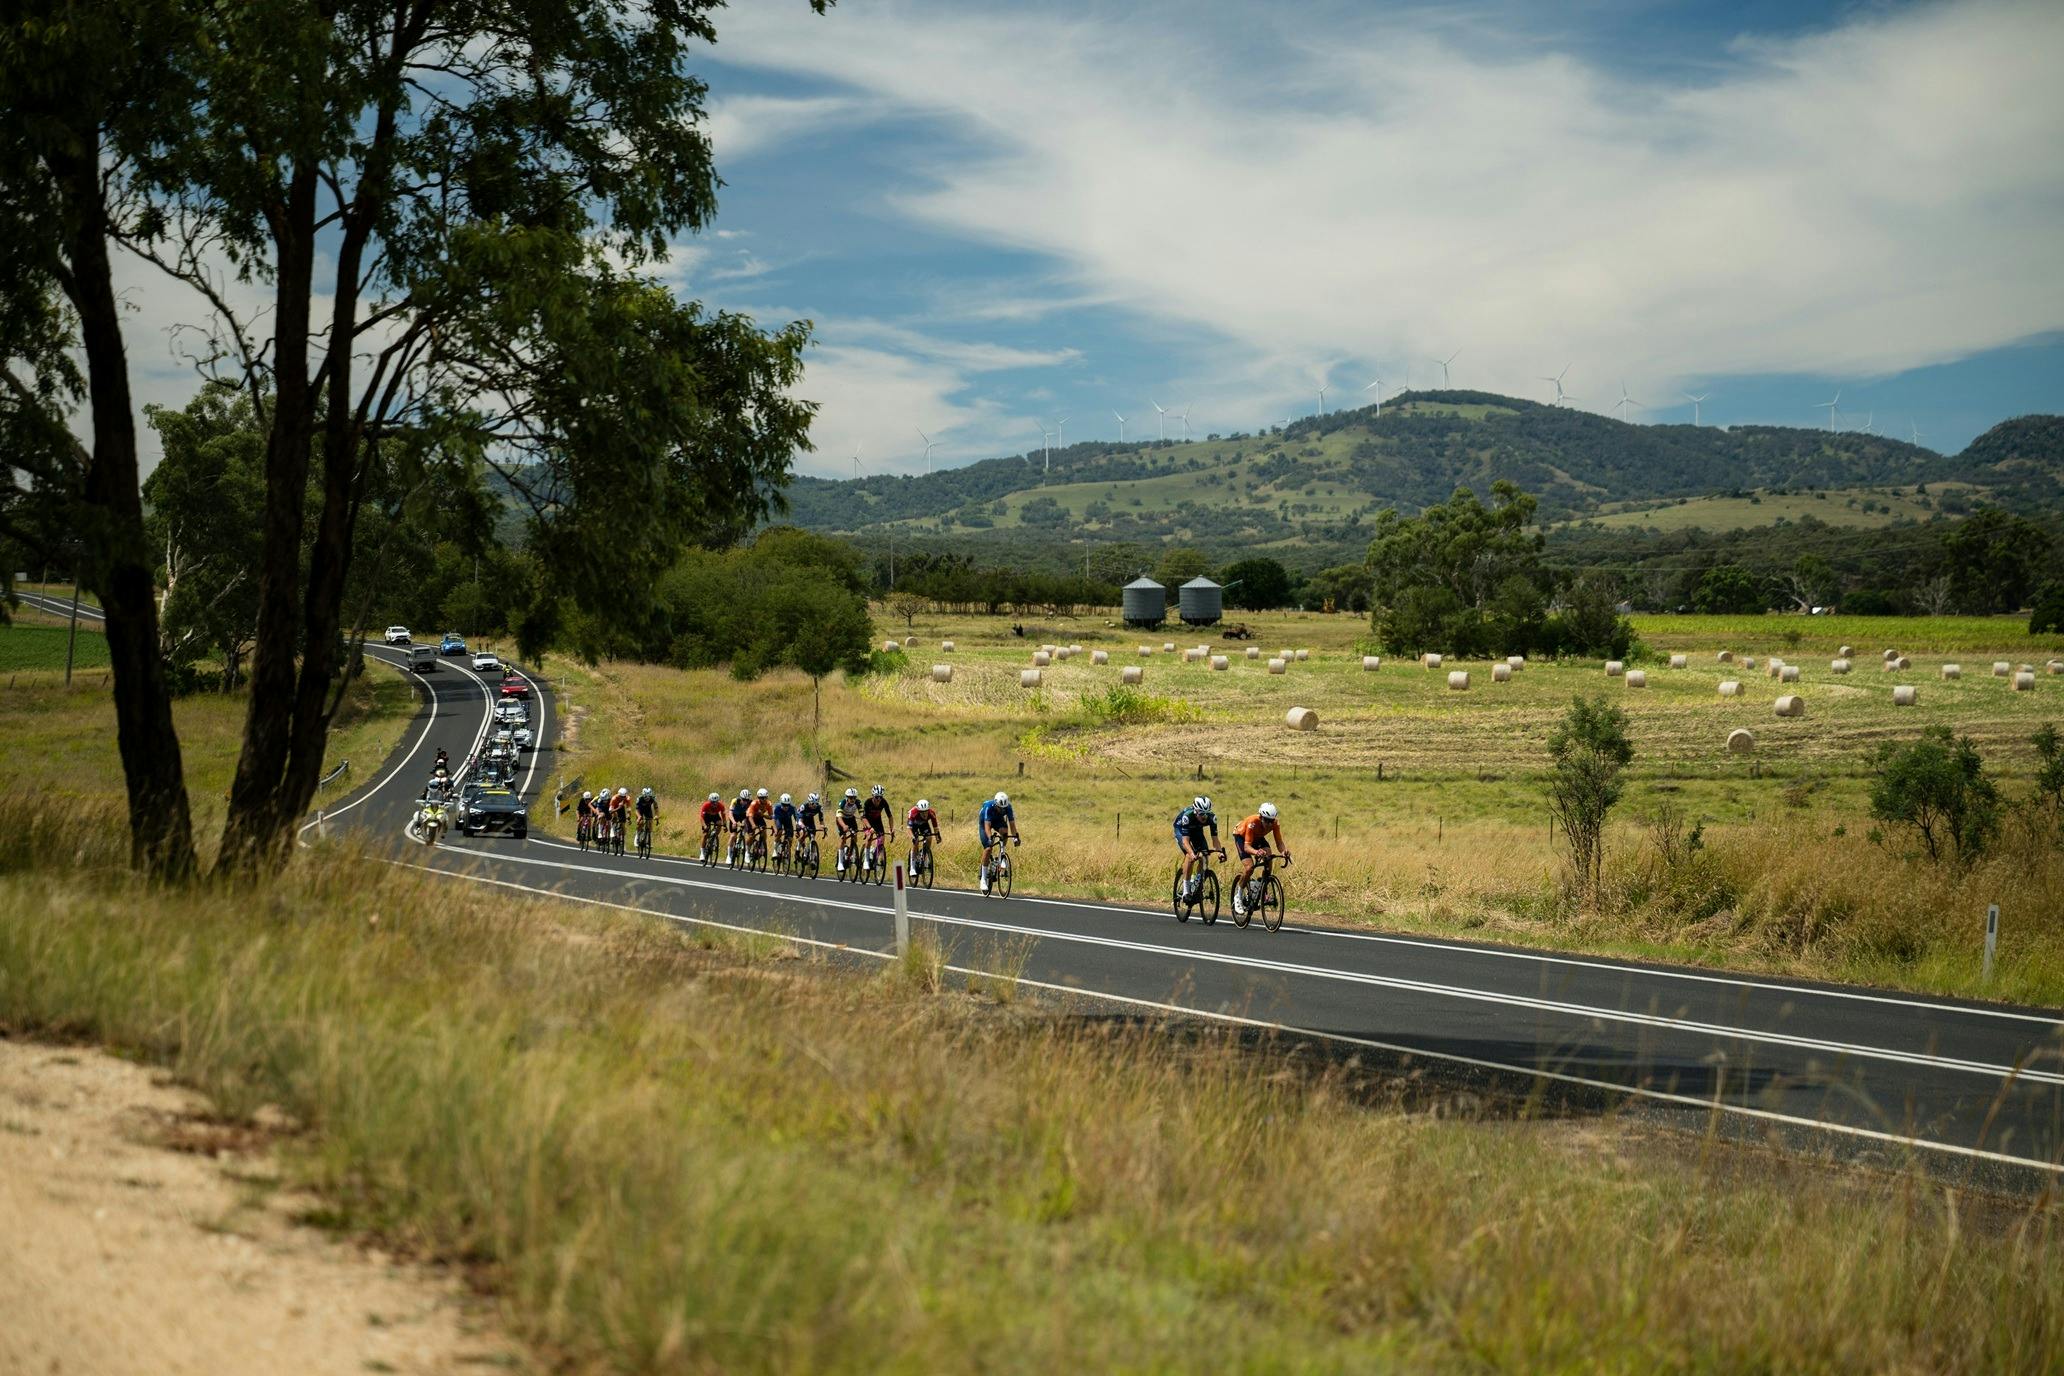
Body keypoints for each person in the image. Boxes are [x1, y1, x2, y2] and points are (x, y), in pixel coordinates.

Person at [1231, 802, 1290, 917]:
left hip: (1257, 837)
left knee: (1269, 857)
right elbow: (1247, 847)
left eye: (1271, 821)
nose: (1269, 824)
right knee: (1249, 868)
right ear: (1261, 817)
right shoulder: (1252, 822)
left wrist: (1284, 852)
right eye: (1266, 820)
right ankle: (1238, 896)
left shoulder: (1275, 823)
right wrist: (1257, 852)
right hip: (1242, 837)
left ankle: (1261, 887)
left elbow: (1279, 843)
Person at [1173, 795, 1222, 901]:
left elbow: (1215, 840)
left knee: (1204, 856)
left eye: (1206, 813)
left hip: (1197, 830)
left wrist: (1220, 852)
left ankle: (1197, 883)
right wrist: (1191, 853)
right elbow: (1185, 842)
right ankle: (1186, 890)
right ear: (1195, 811)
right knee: (1190, 856)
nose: (1204, 816)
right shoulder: (1187, 816)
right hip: (1181, 830)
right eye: (1201, 813)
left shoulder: (1212, 818)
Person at [977, 790, 1019, 893]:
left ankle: (1001, 855)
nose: (1002, 810)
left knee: (1004, 832)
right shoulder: (989, 807)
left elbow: (1012, 824)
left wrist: (1015, 838)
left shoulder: (1008, 807)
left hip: (998, 821)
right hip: (984, 822)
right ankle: (983, 879)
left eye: (1003, 808)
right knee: (988, 848)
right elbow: (987, 826)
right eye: (1000, 808)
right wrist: (990, 838)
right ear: (996, 804)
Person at [860, 783, 895, 873]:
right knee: (870, 836)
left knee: (881, 840)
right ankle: (866, 861)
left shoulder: (883, 802)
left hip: (877, 822)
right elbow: (863, 817)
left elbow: (890, 816)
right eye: (876, 797)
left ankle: (875, 855)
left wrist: (891, 829)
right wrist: (869, 827)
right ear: (873, 796)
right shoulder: (868, 802)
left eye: (880, 797)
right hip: (867, 822)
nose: (878, 799)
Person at [906, 796, 940, 872]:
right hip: (914, 826)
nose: (924, 814)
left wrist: (938, 836)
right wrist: (912, 837)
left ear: (928, 810)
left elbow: (935, 827)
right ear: (918, 811)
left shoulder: (931, 813)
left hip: (924, 825)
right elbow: (908, 829)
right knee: (916, 841)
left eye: (926, 812)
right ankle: (912, 866)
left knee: (929, 837)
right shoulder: (913, 813)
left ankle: (925, 855)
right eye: (922, 812)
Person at [834, 787, 862, 874]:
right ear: (847, 797)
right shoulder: (842, 803)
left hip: (851, 819)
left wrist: (866, 825)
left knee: (855, 835)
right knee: (843, 838)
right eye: (850, 798)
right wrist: (844, 826)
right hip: (842, 820)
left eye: (854, 798)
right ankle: (840, 863)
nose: (853, 800)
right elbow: (839, 817)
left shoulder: (857, 802)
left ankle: (851, 851)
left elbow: (862, 814)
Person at [771, 792, 799, 864]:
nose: (786, 807)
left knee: (790, 839)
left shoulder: (792, 808)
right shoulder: (776, 808)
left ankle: (786, 853)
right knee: (779, 831)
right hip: (779, 819)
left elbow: (796, 818)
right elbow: (774, 819)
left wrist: (797, 826)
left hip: (787, 821)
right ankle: (775, 849)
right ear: (781, 803)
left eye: (787, 805)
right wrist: (776, 829)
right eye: (784, 805)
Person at [747, 787, 774, 859]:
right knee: (751, 835)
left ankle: (762, 844)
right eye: (762, 798)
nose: (764, 800)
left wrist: (763, 815)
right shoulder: (754, 803)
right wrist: (753, 825)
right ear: (758, 798)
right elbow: (750, 817)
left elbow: (771, 817)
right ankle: (747, 851)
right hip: (750, 818)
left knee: (764, 830)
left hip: (760, 818)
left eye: (765, 798)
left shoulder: (769, 804)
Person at [699, 792, 726, 857]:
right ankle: (702, 853)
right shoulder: (706, 805)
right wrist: (705, 826)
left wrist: (725, 825)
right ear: (710, 801)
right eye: (713, 802)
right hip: (707, 817)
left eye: (716, 802)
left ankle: (714, 836)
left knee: (720, 823)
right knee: (705, 835)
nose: (714, 804)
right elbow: (701, 817)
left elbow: (723, 816)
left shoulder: (721, 806)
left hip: (715, 816)